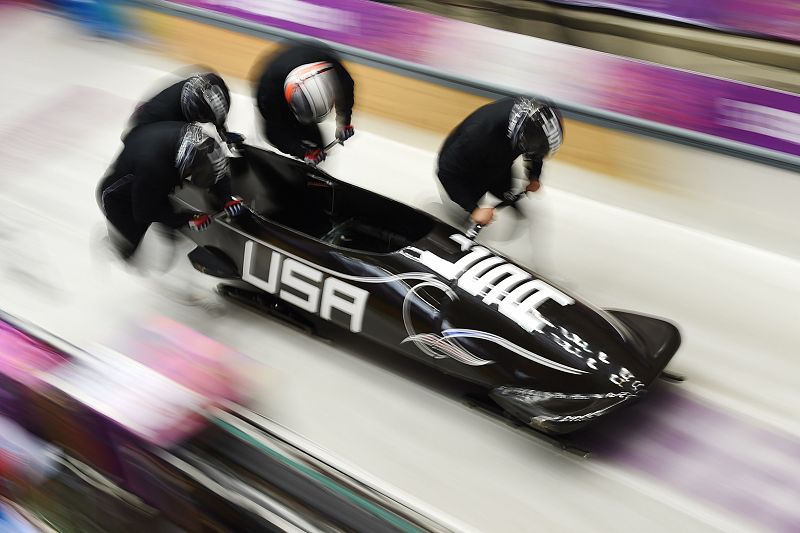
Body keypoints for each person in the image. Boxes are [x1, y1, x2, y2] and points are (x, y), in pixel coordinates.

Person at [97, 121, 244, 262]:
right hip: (118, 196)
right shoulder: (156, 169)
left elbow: (215, 167)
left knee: (168, 215)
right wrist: (187, 218)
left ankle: (169, 228)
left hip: (148, 171)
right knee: (130, 246)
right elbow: (144, 212)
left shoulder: (197, 141)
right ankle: (113, 246)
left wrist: (226, 198)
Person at [436, 96, 564, 227]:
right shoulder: (478, 133)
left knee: (504, 187)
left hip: (499, 158)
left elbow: (536, 150)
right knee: (470, 209)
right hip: (467, 166)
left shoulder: (528, 122)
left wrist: (534, 175)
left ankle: (502, 195)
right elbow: (446, 171)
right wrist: (473, 209)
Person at [254, 39, 355, 166]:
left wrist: (343, 121)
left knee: (315, 143)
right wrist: (302, 152)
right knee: (290, 135)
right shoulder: (268, 92)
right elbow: (272, 132)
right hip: (276, 97)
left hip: (293, 72)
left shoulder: (333, 69)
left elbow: (346, 90)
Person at [124, 71, 234, 142]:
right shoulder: (162, 112)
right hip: (145, 127)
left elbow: (216, 119)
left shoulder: (213, 84)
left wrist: (222, 134)